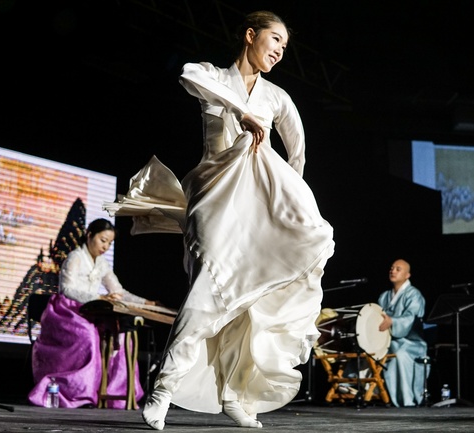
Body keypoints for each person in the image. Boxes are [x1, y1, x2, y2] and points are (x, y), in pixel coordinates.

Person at [103, 10, 334, 429]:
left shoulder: (277, 97)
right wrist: (239, 111)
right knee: (206, 291)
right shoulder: (214, 77)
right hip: (211, 202)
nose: (280, 51)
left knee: (249, 304)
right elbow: (189, 75)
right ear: (250, 36)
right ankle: (164, 388)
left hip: (254, 213)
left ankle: (233, 395)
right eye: (275, 40)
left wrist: (284, 204)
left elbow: (297, 152)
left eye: (285, 46)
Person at [28, 218, 161, 409]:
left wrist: (146, 302)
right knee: (88, 336)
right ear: (89, 235)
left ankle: (114, 393)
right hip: (67, 311)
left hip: (92, 311)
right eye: (103, 240)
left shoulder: (101, 263)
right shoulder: (75, 257)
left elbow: (118, 291)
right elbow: (66, 289)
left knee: (122, 337)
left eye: (109, 243)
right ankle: (79, 392)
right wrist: (99, 297)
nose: (105, 246)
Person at [378, 258, 428, 407]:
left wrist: (392, 321)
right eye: (392, 268)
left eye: (398, 269)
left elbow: (411, 317)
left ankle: (407, 400)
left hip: (412, 342)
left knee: (400, 355)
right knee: (369, 352)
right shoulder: (384, 296)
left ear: (407, 275)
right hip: (391, 341)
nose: (393, 271)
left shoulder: (414, 295)